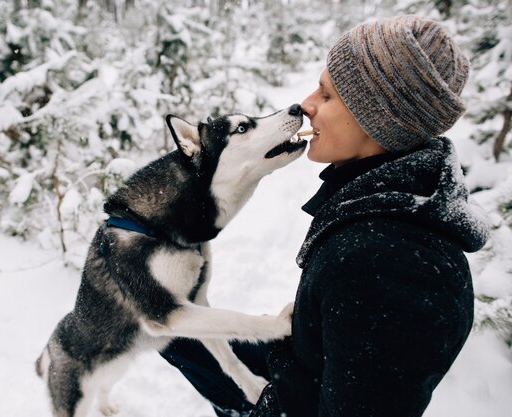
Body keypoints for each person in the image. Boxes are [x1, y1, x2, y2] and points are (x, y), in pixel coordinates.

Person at [161, 14, 490, 417]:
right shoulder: (383, 204)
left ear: (379, 120)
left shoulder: (391, 265)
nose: (306, 105)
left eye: (328, 95)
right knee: (168, 332)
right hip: (296, 371)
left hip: (283, 401)